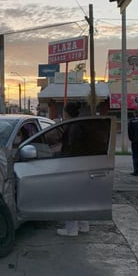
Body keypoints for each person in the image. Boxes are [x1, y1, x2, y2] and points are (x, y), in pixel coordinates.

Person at [56, 101, 90, 237]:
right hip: (82, 164)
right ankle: (83, 224)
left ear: (67, 112)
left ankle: (71, 229)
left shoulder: (72, 127)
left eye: (64, 111)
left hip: (72, 165)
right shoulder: (81, 124)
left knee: (70, 198)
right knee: (81, 197)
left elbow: (71, 148)